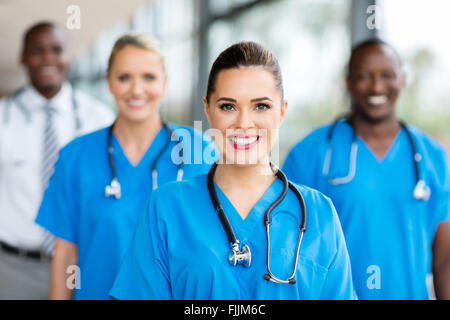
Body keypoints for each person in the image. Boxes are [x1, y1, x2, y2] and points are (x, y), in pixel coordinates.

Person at [109, 41, 356, 300]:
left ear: (282, 111)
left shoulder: (319, 213)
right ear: (207, 109)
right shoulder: (166, 208)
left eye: (261, 106)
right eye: (228, 106)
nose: (244, 123)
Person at [34, 33, 215, 300]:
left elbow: (215, 246)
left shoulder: (199, 151)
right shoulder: (76, 157)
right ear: (109, 82)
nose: (136, 90)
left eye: (149, 77)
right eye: (124, 77)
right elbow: (65, 255)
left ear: (165, 83)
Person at [282, 38, 450, 300]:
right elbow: (288, 253)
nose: (377, 86)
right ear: (348, 82)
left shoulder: (433, 158)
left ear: (402, 80)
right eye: (364, 76)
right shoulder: (309, 155)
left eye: (387, 75)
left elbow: (445, 261)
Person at [0, 21, 114, 300]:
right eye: (38, 50)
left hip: (83, 266)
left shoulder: (99, 119)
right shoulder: (2, 118)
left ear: (68, 56)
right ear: (23, 57)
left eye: (57, 50)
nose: (48, 58)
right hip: (14, 271)